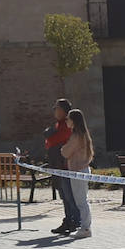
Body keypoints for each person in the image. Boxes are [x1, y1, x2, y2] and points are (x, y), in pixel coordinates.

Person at [44, 99, 79, 235]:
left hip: (65, 167)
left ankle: (75, 222)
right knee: (64, 196)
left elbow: (53, 140)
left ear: (64, 111)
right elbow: (48, 142)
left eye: (57, 108)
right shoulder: (58, 125)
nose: (54, 110)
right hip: (56, 165)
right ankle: (68, 220)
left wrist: (49, 139)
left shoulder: (67, 125)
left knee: (70, 196)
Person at [60, 108, 94, 239]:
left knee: (81, 201)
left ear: (73, 121)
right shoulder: (83, 134)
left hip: (78, 171)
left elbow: (65, 152)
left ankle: (85, 228)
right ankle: (85, 226)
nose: (66, 121)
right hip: (81, 169)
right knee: (82, 199)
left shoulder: (76, 136)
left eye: (68, 118)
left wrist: (63, 148)